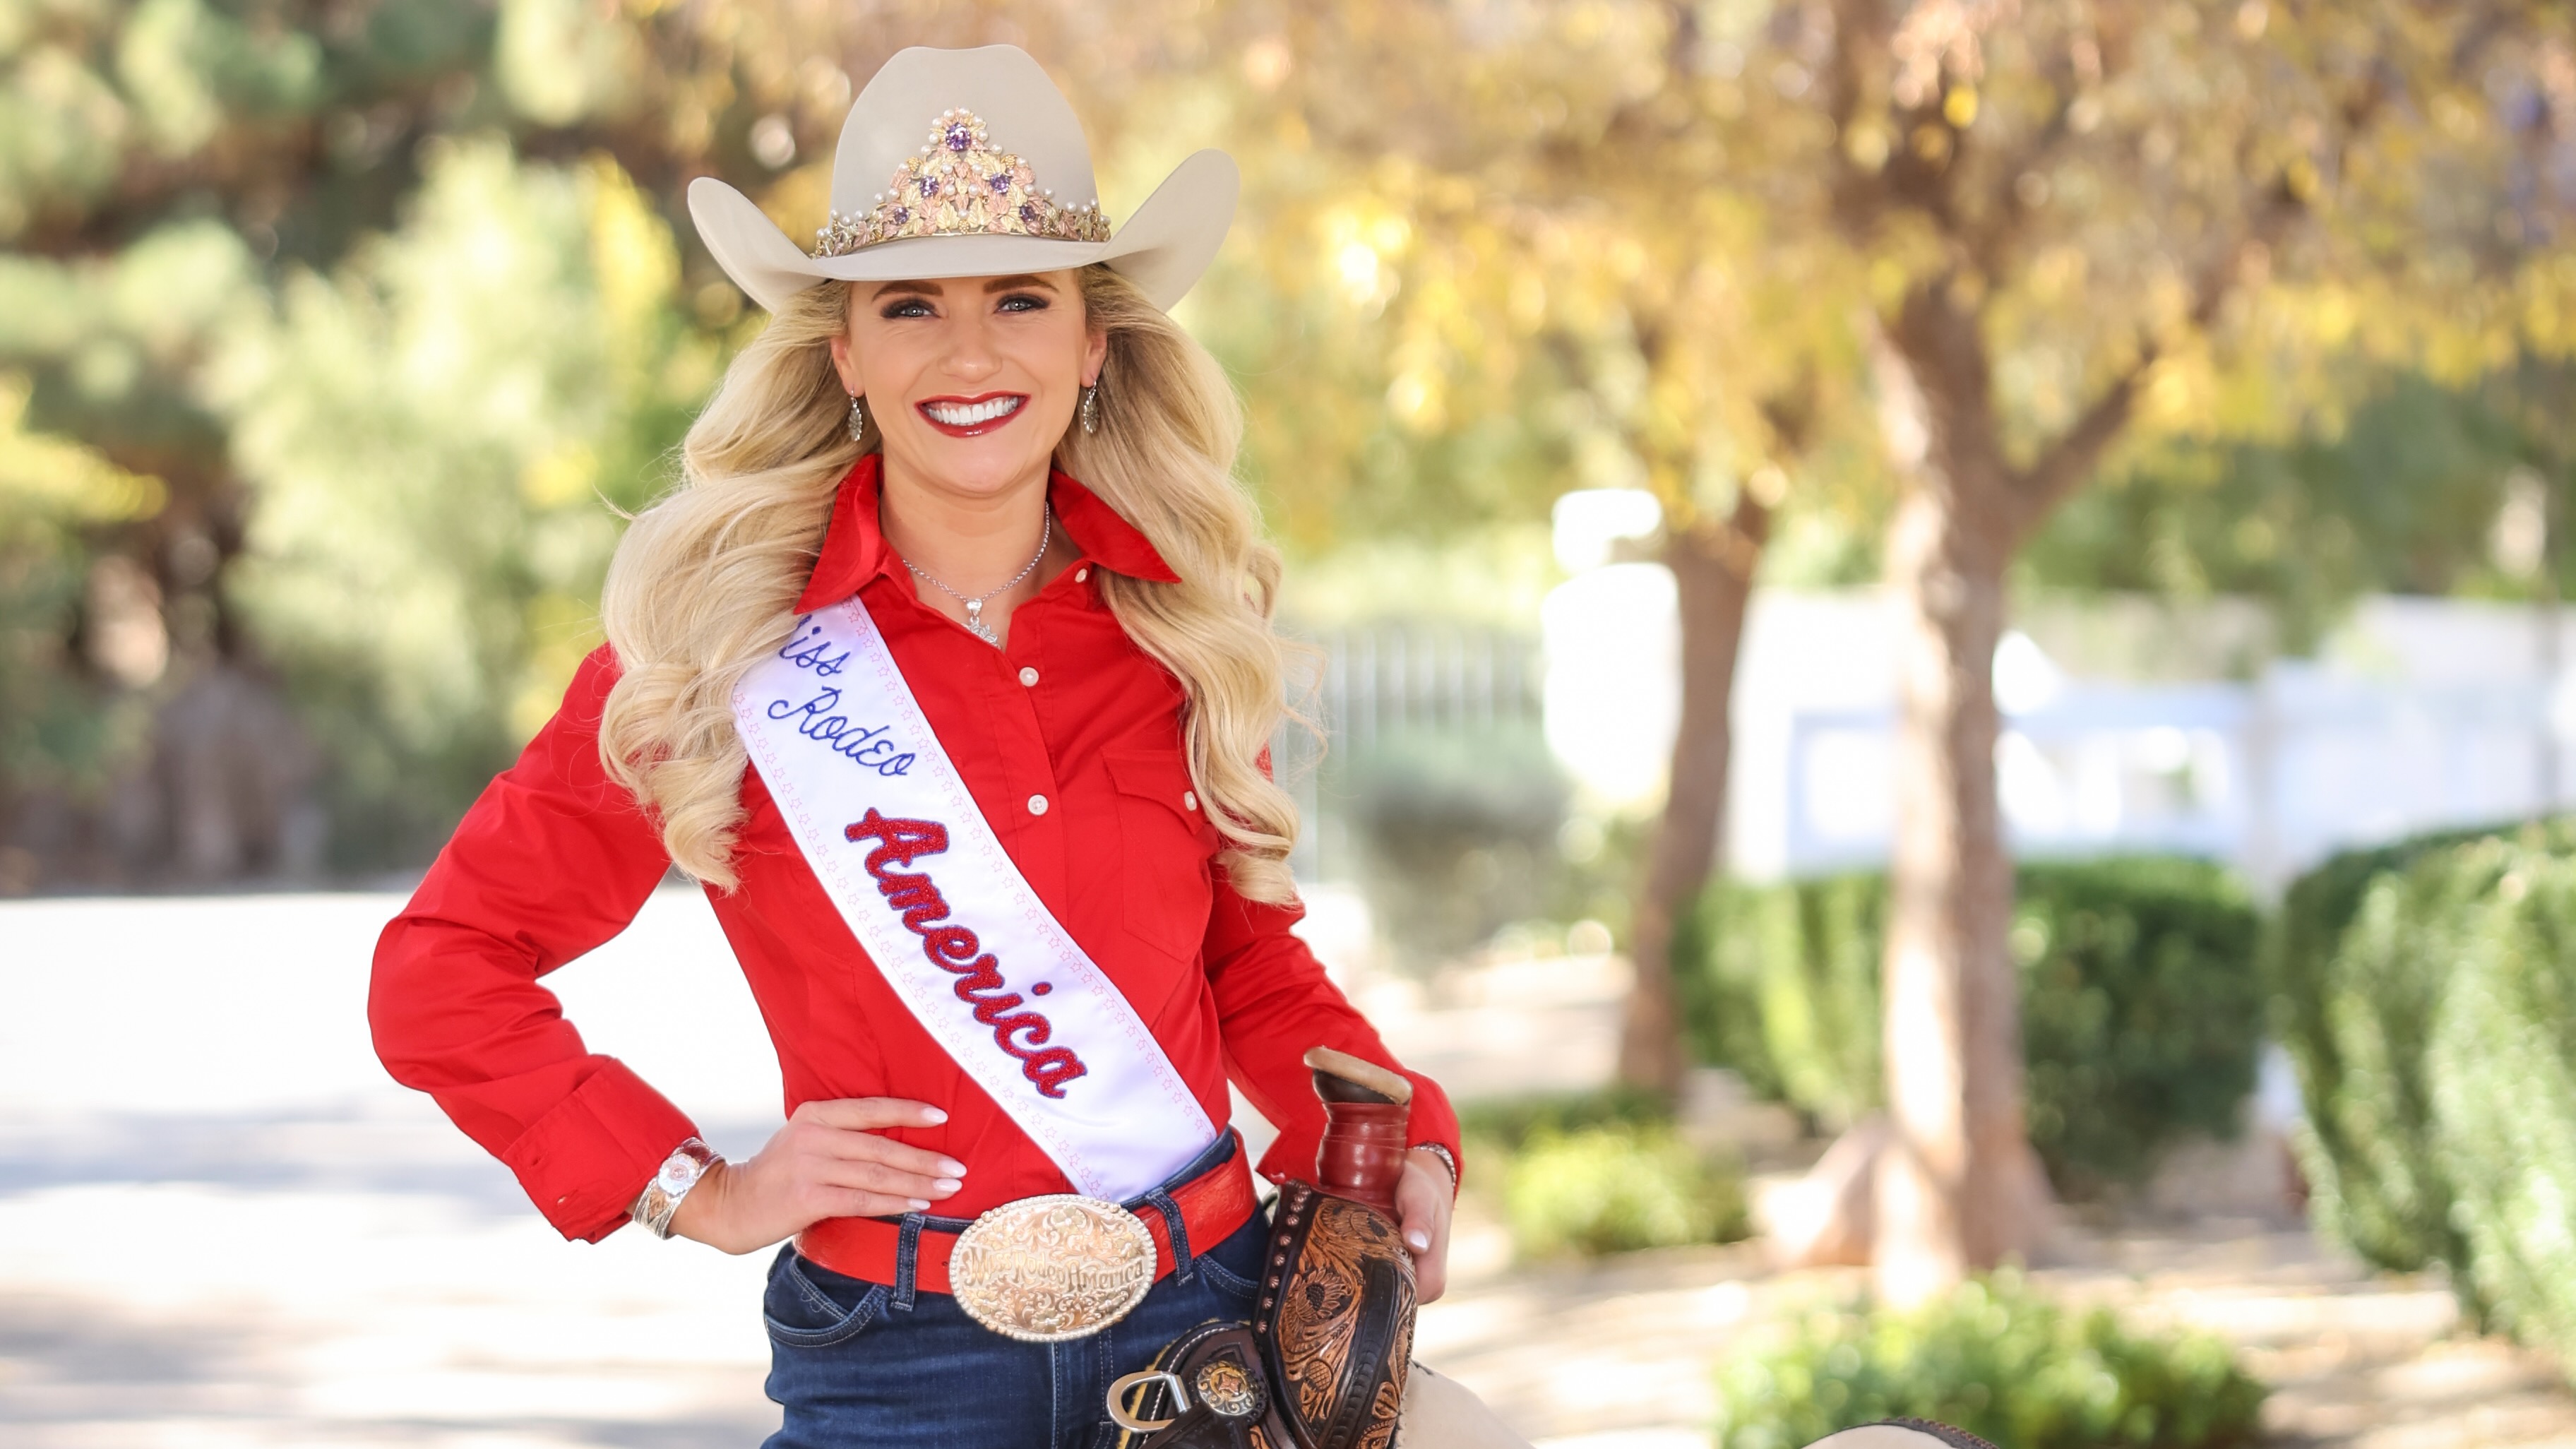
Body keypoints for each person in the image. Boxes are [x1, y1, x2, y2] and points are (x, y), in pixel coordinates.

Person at [366, 42, 1479, 1449]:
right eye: (911, 305)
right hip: (899, 1363)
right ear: (845, 350)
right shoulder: (715, 655)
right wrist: (694, 1189)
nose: (968, 353)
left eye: (1021, 298)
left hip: (1207, 1325)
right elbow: (439, 973)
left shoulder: (1181, 632)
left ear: (1093, 344)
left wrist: (1405, 1137)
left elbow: (1242, 967)